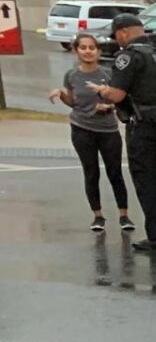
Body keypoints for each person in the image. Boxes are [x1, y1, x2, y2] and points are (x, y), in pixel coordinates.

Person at [94, 11, 156, 253]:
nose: (117, 41)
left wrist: (101, 91)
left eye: (116, 36)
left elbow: (117, 94)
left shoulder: (128, 56)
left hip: (144, 123)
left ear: (123, 33)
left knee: (148, 180)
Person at [46, 31, 134, 233]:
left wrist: (108, 106)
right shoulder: (72, 75)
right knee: (91, 172)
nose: (88, 51)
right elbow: (74, 103)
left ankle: (124, 215)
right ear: (76, 51)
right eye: (83, 48)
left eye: (92, 48)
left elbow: (118, 99)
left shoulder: (108, 74)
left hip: (108, 130)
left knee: (115, 172)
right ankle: (97, 216)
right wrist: (61, 94)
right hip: (81, 129)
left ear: (98, 51)